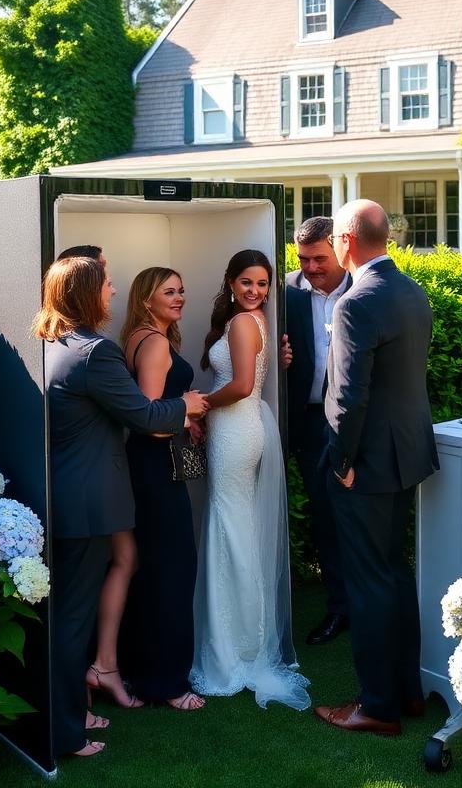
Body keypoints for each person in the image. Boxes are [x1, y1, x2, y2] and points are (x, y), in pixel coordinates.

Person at [33, 256, 208, 758]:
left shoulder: (55, 343)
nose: (112, 292)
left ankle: (74, 712)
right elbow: (145, 414)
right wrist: (190, 406)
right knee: (71, 623)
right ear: (88, 294)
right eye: (107, 286)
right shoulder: (94, 353)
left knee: (69, 617)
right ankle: (66, 734)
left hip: (67, 494)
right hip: (89, 503)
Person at [315, 200, 438, 738]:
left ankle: (378, 706)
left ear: (345, 238)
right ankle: (406, 693)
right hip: (405, 455)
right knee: (392, 573)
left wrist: (342, 461)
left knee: (369, 583)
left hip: (364, 464)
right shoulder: (412, 291)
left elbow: (349, 395)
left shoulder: (355, 302)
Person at [191, 249, 310, 710]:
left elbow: (241, 385)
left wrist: (197, 404)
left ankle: (235, 651)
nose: (255, 291)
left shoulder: (245, 321)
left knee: (229, 529)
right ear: (231, 281)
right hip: (239, 428)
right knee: (236, 529)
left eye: (262, 284)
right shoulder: (249, 319)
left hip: (237, 429)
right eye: (247, 283)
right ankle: (244, 641)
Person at [120, 267, 206, 711]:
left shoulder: (139, 336)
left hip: (147, 466)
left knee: (153, 569)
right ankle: (168, 683)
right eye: (168, 292)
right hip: (154, 466)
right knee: (172, 571)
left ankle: (143, 670)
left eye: (181, 289)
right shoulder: (153, 342)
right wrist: (186, 408)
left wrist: (184, 416)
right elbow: (150, 420)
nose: (179, 297)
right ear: (146, 298)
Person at [282, 217, 350, 645]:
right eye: (304, 259)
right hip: (305, 423)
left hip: (351, 422)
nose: (311, 267)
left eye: (319, 258)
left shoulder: (363, 288)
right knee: (324, 517)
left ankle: (365, 604)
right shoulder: (286, 290)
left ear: (339, 249)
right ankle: (338, 608)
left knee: (355, 516)